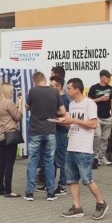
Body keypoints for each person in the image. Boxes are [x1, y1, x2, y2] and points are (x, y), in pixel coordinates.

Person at [61, 78, 109, 219]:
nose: (67, 90)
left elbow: (93, 124)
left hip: (84, 147)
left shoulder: (89, 103)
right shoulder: (72, 104)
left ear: (77, 89)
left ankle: (101, 203)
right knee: (71, 179)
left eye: (69, 88)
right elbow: (73, 125)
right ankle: (77, 207)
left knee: (87, 179)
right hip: (72, 145)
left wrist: (74, 120)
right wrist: (66, 123)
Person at [25, 71, 66, 201]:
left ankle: (30, 193)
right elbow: (63, 111)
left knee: (33, 161)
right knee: (49, 161)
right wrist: (53, 112)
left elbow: (27, 107)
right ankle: (50, 193)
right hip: (50, 130)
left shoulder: (32, 91)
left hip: (35, 131)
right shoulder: (54, 92)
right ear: (44, 80)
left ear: (35, 81)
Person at [0, 83, 23, 197]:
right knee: (9, 163)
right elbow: (18, 117)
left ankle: (0, 188)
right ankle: (8, 190)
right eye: (11, 90)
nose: (12, 92)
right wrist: (19, 104)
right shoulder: (8, 103)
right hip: (10, 135)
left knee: (2, 162)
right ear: (7, 91)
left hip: (1, 135)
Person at [46, 75, 69, 195]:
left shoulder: (64, 99)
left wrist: (55, 115)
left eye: (52, 86)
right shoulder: (54, 97)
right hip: (54, 131)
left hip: (61, 132)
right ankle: (50, 183)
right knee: (53, 159)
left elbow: (66, 116)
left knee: (62, 159)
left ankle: (62, 185)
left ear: (59, 86)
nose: (49, 88)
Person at [88, 69, 112, 167]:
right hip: (97, 116)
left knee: (105, 138)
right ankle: (95, 156)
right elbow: (89, 102)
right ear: (103, 78)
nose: (110, 79)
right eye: (108, 77)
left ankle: (102, 157)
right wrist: (100, 99)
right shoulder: (94, 88)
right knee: (98, 135)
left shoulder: (110, 88)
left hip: (107, 117)